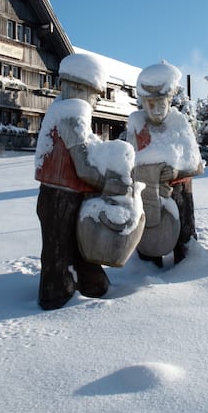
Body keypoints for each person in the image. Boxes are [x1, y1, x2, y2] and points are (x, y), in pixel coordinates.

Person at [34, 53, 129, 310]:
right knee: (59, 249)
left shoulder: (59, 109)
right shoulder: (72, 113)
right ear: (82, 88)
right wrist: (108, 183)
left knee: (74, 246)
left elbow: (86, 151)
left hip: (61, 193)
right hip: (61, 195)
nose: (97, 101)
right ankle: (55, 295)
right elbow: (84, 165)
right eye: (96, 95)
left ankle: (89, 284)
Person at [126, 62, 204, 267]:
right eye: (150, 103)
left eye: (161, 102)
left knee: (185, 241)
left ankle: (188, 265)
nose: (157, 109)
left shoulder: (178, 123)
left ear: (170, 100)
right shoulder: (136, 124)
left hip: (180, 193)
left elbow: (197, 164)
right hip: (146, 194)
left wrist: (177, 169)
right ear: (142, 102)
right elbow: (128, 160)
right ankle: (146, 268)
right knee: (148, 243)